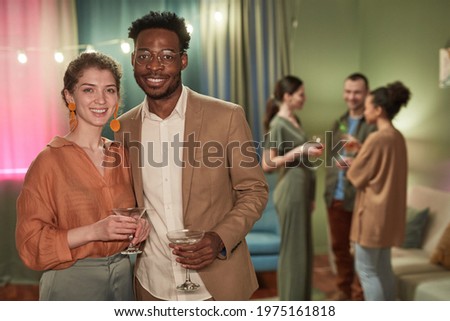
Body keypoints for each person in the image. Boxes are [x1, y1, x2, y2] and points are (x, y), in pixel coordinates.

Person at [115, 11, 268, 301]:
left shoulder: (227, 116)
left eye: (167, 56)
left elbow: (254, 191)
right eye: (145, 56)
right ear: (133, 60)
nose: (154, 66)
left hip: (218, 287)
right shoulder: (124, 127)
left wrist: (219, 238)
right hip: (152, 285)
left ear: (182, 60)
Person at [15, 52, 150, 300]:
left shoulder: (122, 155)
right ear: (69, 96)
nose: (101, 99)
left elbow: (135, 212)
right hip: (71, 280)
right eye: (89, 90)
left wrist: (140, 225)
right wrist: (94, 231)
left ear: (117, 97)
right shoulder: (48, 162)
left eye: (109, 90)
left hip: (126, 278)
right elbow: (30, 245)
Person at [347, 81, 411, 300]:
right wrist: (361, 150)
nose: (365, 112)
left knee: (366, 271)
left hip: (373, 216)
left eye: (367, 107)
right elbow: (384, 170)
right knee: (384, 270)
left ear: (379, 109)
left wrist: (354, 159)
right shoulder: (398, 137)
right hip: (390, 217)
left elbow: (355, 176)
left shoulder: (376, 138)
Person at [261, 75, 323, 301]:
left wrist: (311, 195)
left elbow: (304, 160)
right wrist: (300, 151)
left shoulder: (296, 120)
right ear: (287, 96)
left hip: (302, 191)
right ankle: (291, 302)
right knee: (294, 251)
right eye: (301, 94)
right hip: (291, 190)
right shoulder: (278, 124)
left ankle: (302, 300)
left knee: (304, 249)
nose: (304, 98)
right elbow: (267, 163)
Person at [323, 73, 376, 300]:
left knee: (363, 252)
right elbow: (331, 157)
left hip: (361, 198)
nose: (351, 97)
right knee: (340, 249)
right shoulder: (340, 122)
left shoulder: (372, 124)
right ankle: (344, 292)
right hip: (335, 195)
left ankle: (359, 296)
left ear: (366, 94)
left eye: (357, 92)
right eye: (348, 91)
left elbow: (376, 159)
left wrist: (358, 160)